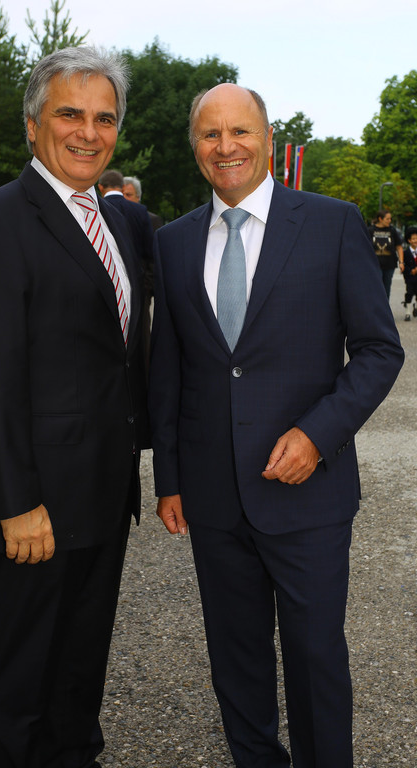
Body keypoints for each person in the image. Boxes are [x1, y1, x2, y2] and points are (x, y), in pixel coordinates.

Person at [148, 83, 404, 768]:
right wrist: (169, 477)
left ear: (267, 138)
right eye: (210, 134)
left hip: (307, 492)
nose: (225, 146)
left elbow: (379, 350)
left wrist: (319, 434)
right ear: (195, 147)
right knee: (236, 661)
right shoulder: (171, 242)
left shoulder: (331, 223)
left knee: (315, 658)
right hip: (211, 495)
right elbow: (167, 368)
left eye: (240, 131)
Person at [0, 46, 148, 768]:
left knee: (79, 673)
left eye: (104, 118)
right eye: (70, 114)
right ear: (33, 125)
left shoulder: (119, 223)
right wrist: (16, 502)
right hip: (36, 509)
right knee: (20, 681)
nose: (88, 132)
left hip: (103, 496)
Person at [99, 169, 155, 365]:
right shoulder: (139, 211)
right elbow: (150, 252)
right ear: (122, 187)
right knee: (141, 338)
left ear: (100, 187)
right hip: (139, 287)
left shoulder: (94, 209)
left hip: (102, 287)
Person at [368, 208, 403, 299]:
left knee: (386, 288)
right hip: (375, 265)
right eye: (387, 219)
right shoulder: (370, 230)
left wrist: (401, 262)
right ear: (380, 219)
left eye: (390, 218)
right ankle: (375, 306)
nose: (389, 221)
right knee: (376, 287)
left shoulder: (392, 230)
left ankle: (385, 306)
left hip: (389, 264)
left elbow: (399, 247)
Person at [401, 226, 417, 320]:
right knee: (409, 293)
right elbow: (403, 264)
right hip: (410, 277)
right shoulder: (405, 253)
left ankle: (416, 307)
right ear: (409, 240)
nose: (416, 240)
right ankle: (407, 312)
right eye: (413, 239)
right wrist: (410, 271)